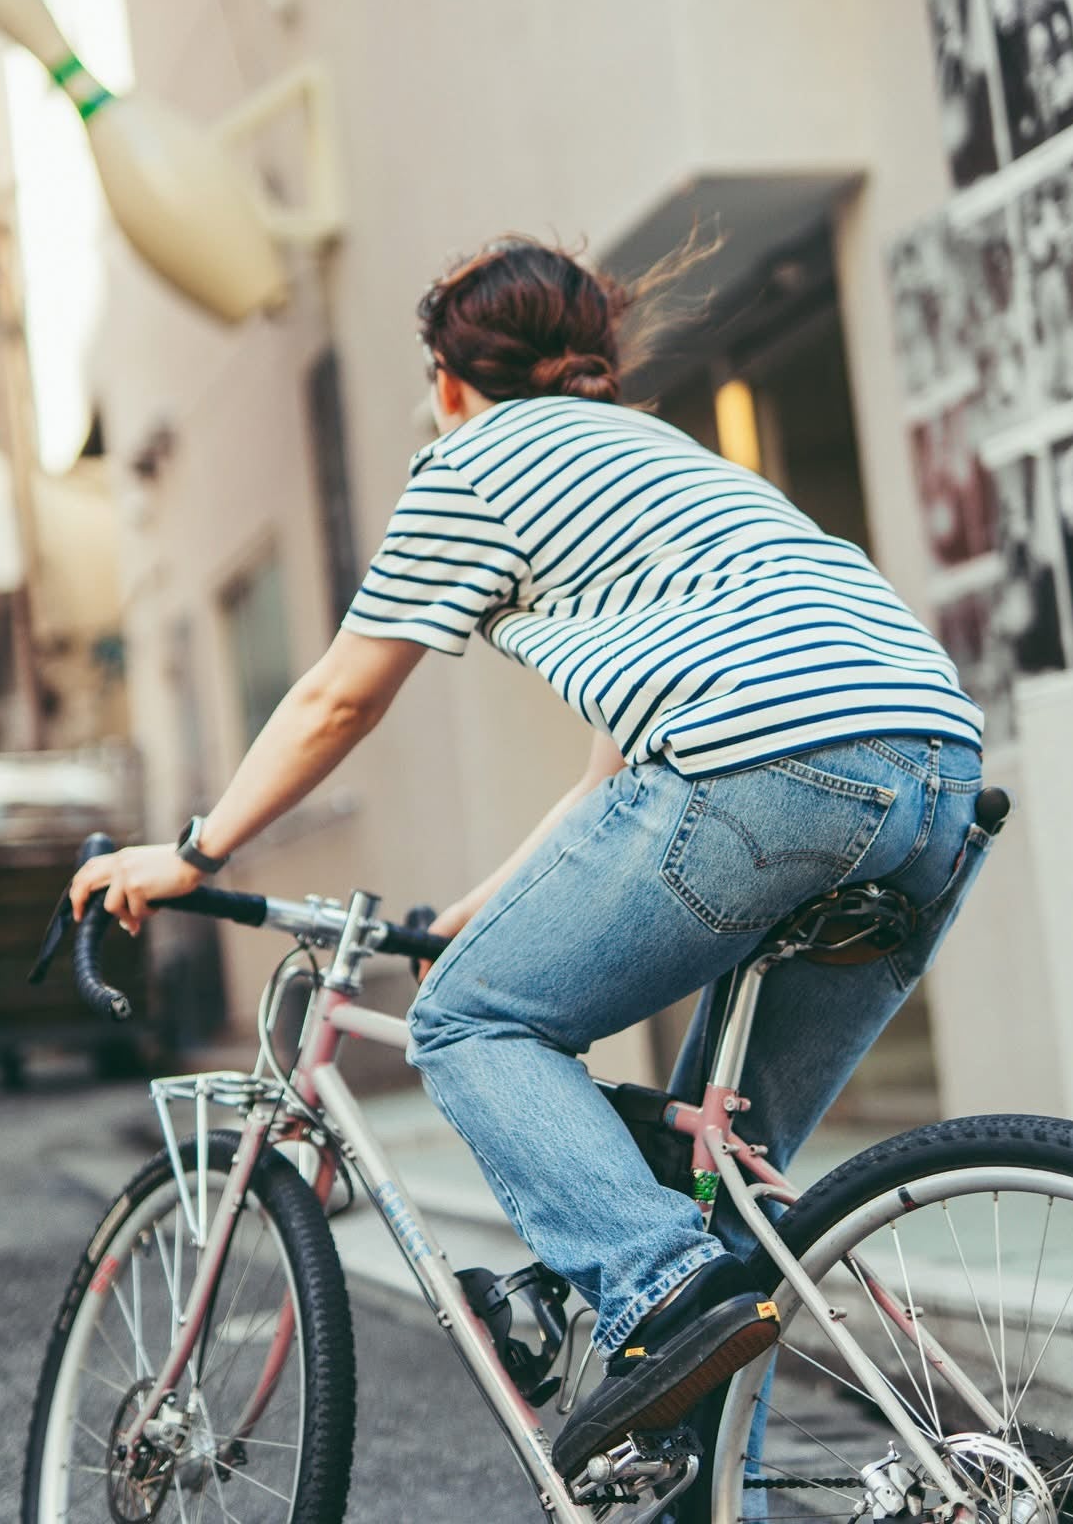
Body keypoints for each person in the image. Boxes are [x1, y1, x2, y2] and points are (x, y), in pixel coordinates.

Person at [68, 238, 987, 1482]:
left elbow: (341, 696)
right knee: (729, 1197)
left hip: (768, 765)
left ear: (449, 379)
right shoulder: (664, 462)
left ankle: (655, 1289)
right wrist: (477, 911)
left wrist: (194, 851)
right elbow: (613, 781)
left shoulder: (474, 461)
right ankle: (704, 1454)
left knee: (469, 1025)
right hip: (930, 780)